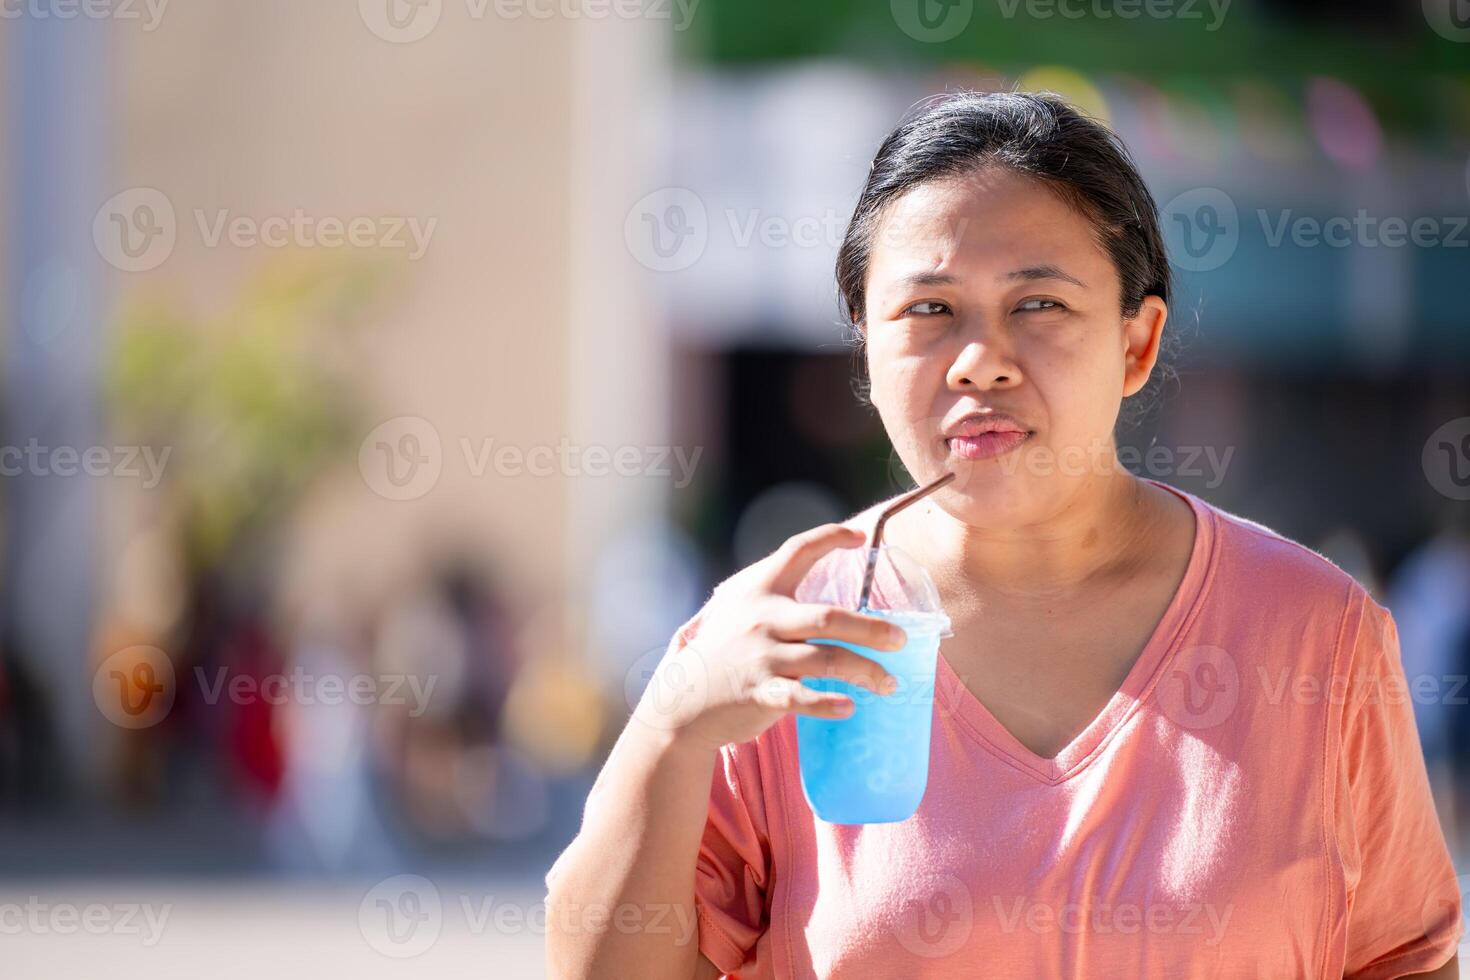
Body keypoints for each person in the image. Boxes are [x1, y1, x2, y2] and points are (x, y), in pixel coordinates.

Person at [544, 91, 1464, 978]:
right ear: (865, 345)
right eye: (928, 310)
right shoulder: (779, 638)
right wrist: (670, 726)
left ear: (1137, 344)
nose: (980, 362)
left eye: (1040, 305)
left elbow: (1403, 960)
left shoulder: (1315, 631)